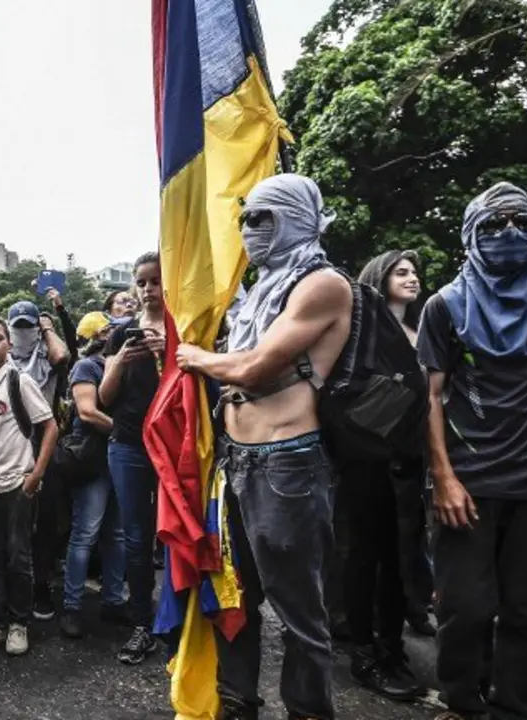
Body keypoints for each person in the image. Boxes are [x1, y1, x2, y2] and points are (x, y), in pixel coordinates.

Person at [175, 174, 351, 720]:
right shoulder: (257, 293)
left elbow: (253, 368)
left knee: (299, 610)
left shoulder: (321, 284)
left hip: (286, 461)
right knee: (233, 596)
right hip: (235, 462)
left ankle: (307, 712)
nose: (250, 230)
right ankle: (237, 702)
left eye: (263, 219)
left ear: (298, 217)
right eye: (246, 219)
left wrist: (196, 357)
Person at [418, 183, 527, 720]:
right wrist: (443, 478)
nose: (510, 235)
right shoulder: (444, 306)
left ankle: (518, 704)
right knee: (466, 609)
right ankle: (462, 702)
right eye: (494, 226)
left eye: (521, 222)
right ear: (471, 234)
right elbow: (428, 397)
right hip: (467, 480)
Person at [332, 250, 427, 700]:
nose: (412, 278)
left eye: (414, 272)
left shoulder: (424, 328)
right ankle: (365, 651)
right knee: (362, 554)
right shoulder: (355, 324)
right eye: (401, 271)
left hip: (410, 458)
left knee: (400, 556)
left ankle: (393, 645)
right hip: (365, 456)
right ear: (378, 277)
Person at [0, 317, 58, 657]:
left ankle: (19, 623)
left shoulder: (19, 380)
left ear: (8, 344)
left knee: (19, 557)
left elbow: (50, 428)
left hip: (17, 483)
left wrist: (35, 475)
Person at [99, 251, 166, 665]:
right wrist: (121, 360)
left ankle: (183, 620)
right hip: (128, 443)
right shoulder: (120, 333)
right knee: (137, 538)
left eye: (155, 281)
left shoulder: (187, 326)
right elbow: (105, 398)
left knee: (182, 534)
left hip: (177, 443)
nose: (147, 289)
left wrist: (170, 351)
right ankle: (142, 623)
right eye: (141, 282)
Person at [59, 319, 127, 639]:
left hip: (122, 462)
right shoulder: (87, 366)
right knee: (85, 533)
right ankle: (72, 605)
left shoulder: (133, 367)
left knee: (116, 534)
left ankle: (113, 600)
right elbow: (87, 411)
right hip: (94, 461)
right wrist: (128, 434)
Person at [6, 298, 70, 620]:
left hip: (44, 440)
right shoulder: (1, 358)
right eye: (16, 328)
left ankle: (42, 584)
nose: (22, 334)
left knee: (45, 520)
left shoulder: (46, 356)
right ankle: (13, 585)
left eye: (27, 328)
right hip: (8, 445)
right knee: (13, 519)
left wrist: (46, 326)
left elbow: (62, 355)